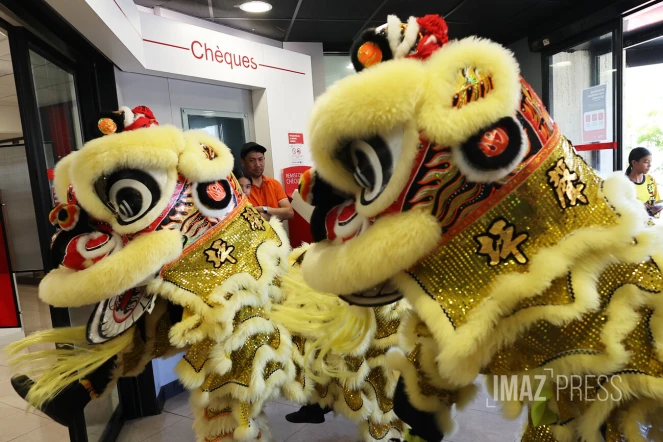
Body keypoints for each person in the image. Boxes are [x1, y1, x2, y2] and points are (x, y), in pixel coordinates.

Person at [240, 141, 294, 220]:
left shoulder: (274, 184)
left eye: (260, 159)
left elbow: (289, 213)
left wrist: (263, 209)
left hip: (276, 232)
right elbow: (244, 218)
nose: (258, 164)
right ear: (243, 162)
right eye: (252, 160)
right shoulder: (240, 188)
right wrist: (277, 214)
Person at [626, 147, 662, 217]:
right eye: (646, 162)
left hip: (652, 222)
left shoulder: (650, 180)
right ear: (634, 163)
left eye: (650, 162)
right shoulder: (624, 183)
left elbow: (657, 202)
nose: (649, 165)